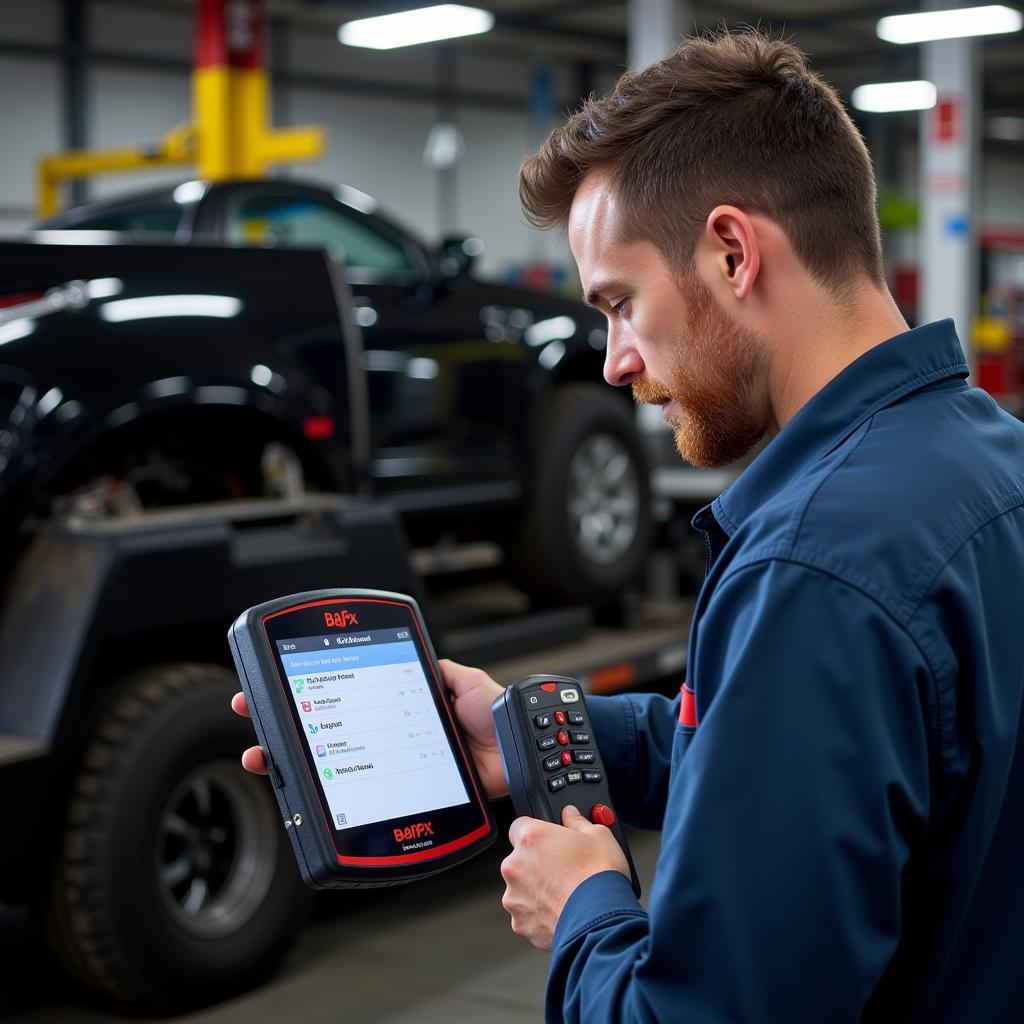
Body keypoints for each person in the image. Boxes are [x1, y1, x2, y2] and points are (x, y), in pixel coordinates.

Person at [233, 31, 1024, 1023]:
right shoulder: (993, 461)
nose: (612, 361)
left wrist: (585, 908)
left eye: (618, 304)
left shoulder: (812, 569)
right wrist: (525, 735)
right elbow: (831, 762)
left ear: (732, 252)